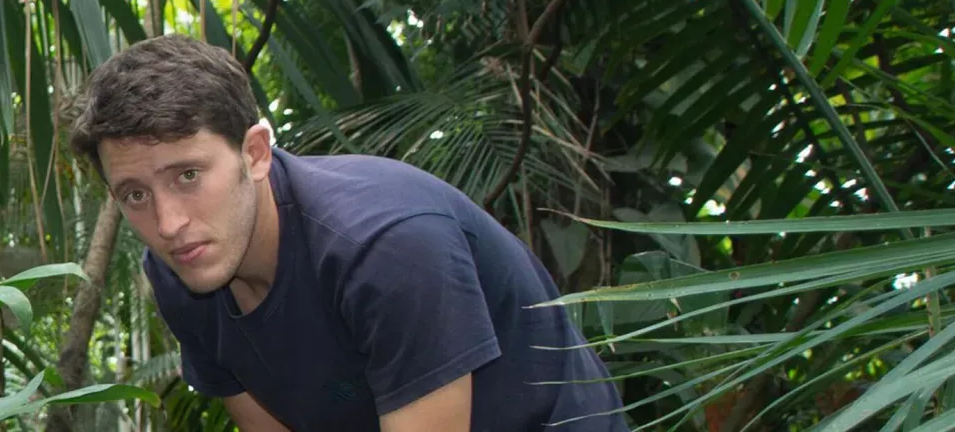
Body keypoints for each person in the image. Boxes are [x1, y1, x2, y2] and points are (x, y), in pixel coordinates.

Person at [66, 35, 628, 431]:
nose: (167, 225)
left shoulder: (386, 247)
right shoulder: (178, 272)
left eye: (188, 175)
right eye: (135, 195)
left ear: (255, 153)